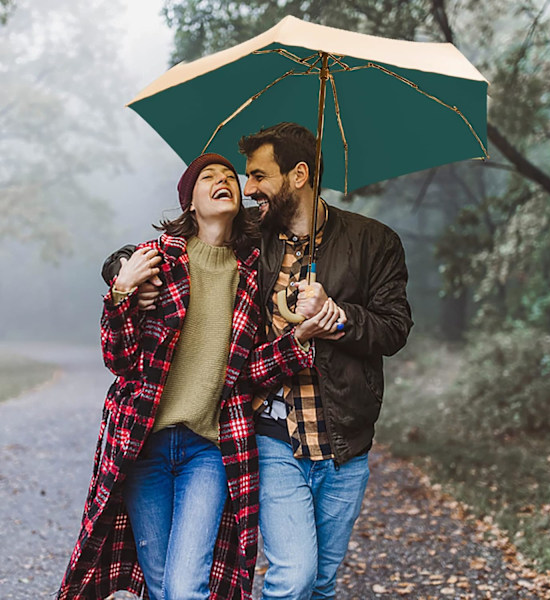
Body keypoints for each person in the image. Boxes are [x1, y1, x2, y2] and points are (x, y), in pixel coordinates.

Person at [104, 123, 413, 599]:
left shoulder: (370, 242)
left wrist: (336, 316)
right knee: (284, 578)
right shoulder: (251, 241)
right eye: (239, 177)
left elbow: (394, 328)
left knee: (319, 582)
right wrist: (122, 276)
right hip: (260, 433)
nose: (247, 188)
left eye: (255, 175)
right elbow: (162, 251)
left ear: (299, 175)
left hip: (338, 438)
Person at [58, 153, 344, 600]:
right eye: (208, 177)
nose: (223, 181)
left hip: (208, 451)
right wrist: (121, 290)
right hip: (143, 444)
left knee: (185, 586)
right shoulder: (155, 261)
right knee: (159, 585)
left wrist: (299, 340)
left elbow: (246, 373)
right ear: (189, 202)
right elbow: (120, 359)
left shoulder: (252, 274)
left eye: (230, 176)